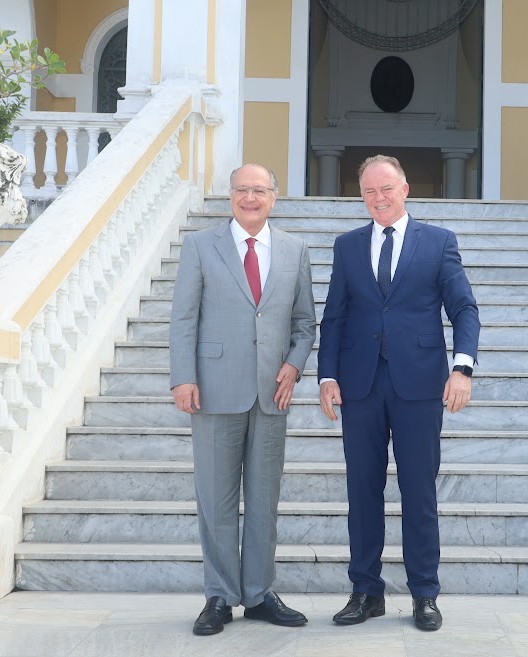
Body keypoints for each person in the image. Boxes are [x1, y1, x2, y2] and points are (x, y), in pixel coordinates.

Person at [318, 154, 480, 631]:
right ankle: (366, 591)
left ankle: (424, 595)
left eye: (386, 188)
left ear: (405, 189)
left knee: (418, 491)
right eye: (369, 191)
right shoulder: (347, 246)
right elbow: (334, 316)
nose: (379, 198)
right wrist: (327, 376)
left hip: (419, 384)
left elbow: (464, 309)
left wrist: (462, 368)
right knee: (361, 491)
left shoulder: (438, 242)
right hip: (360, 385)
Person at [169, 163, 316, 636]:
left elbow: (304, 322)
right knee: (216, 498)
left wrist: (295, 364)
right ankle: (219, 595)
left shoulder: (295, 249)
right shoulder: (199, 246)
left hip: (273, 390)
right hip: (213, 387)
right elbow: (183, 318)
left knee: (264, 498)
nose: (250, 197)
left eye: (259, 190)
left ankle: (258, 593)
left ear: (274, 196)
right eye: (241, 190)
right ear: (230, 196)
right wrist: (182, 377)